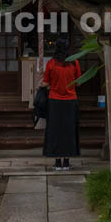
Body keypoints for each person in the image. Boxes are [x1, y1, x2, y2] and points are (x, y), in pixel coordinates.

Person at [41, 38, 80, 171]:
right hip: (70, 100)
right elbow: (79, 82)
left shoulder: (51, 63)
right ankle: (67, 162)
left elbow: (45, 83)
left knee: (55, 130)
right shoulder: (74, 63)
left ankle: (57, 162)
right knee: (69, 130)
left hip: (55, 101)